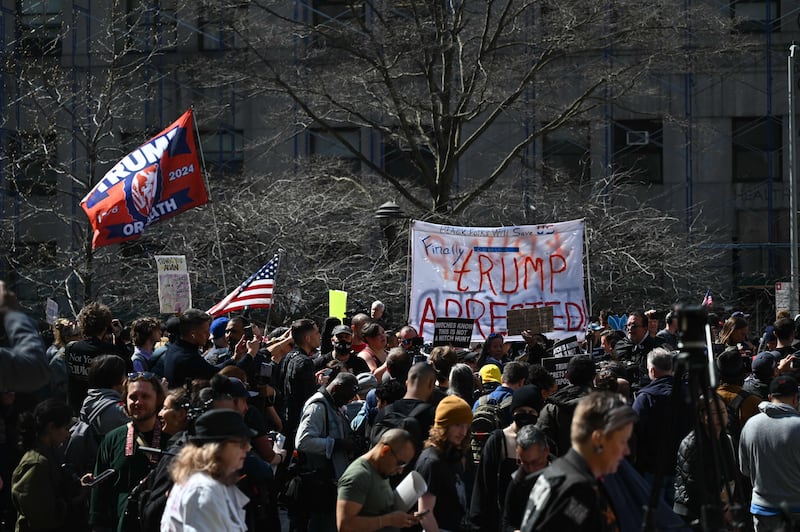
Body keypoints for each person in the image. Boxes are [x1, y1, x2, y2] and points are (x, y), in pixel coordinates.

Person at [521, 391, 638, 532]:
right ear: (598, 439)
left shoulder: (561, 471)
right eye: (622, 441)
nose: (627, 451)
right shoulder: (578, 490)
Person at [88, 372, 168, 532]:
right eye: (133, 397)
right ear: (124, 400)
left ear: (158, 400)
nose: (138, 402)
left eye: (145, 396)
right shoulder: (112, 439)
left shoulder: (171, 440)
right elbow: (99, 493)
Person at [160, 408, 252, 531]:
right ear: (217, 448)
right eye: (241, 443)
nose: (248, 448)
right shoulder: (203, 492)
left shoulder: (206, 483)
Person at [470, 384, 544, 532]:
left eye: (531, 411)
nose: (526, 415)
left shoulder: (546, 443)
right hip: (499, 523)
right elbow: (482, 488)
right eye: (521, 411)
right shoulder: (498, 441)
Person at [739, 374, 800, 531]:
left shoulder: (751, 425)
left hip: (763, 509)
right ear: (796, 398)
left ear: (769, 397)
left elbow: (744, 470)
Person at [336, 428, 422, 532]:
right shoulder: (359, 476)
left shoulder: (381, 471)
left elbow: (379, 510)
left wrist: (404, 518)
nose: (400, 470)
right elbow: (345, 526)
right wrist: (388, 520)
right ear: (385, 451)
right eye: (400, 463)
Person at [11, 399, 76, 532]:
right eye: (65, 428)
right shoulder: (36, 464)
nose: (68, 434)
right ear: (51, 427)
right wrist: (71, 503)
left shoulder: (49, 454)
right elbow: (41, 516)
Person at [415, 395, 474, 532]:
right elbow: (425, 513)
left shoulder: (454, 455)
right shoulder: (431, 462)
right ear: (444, 425)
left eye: (466, 426)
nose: (463, 432)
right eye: (458, 425)